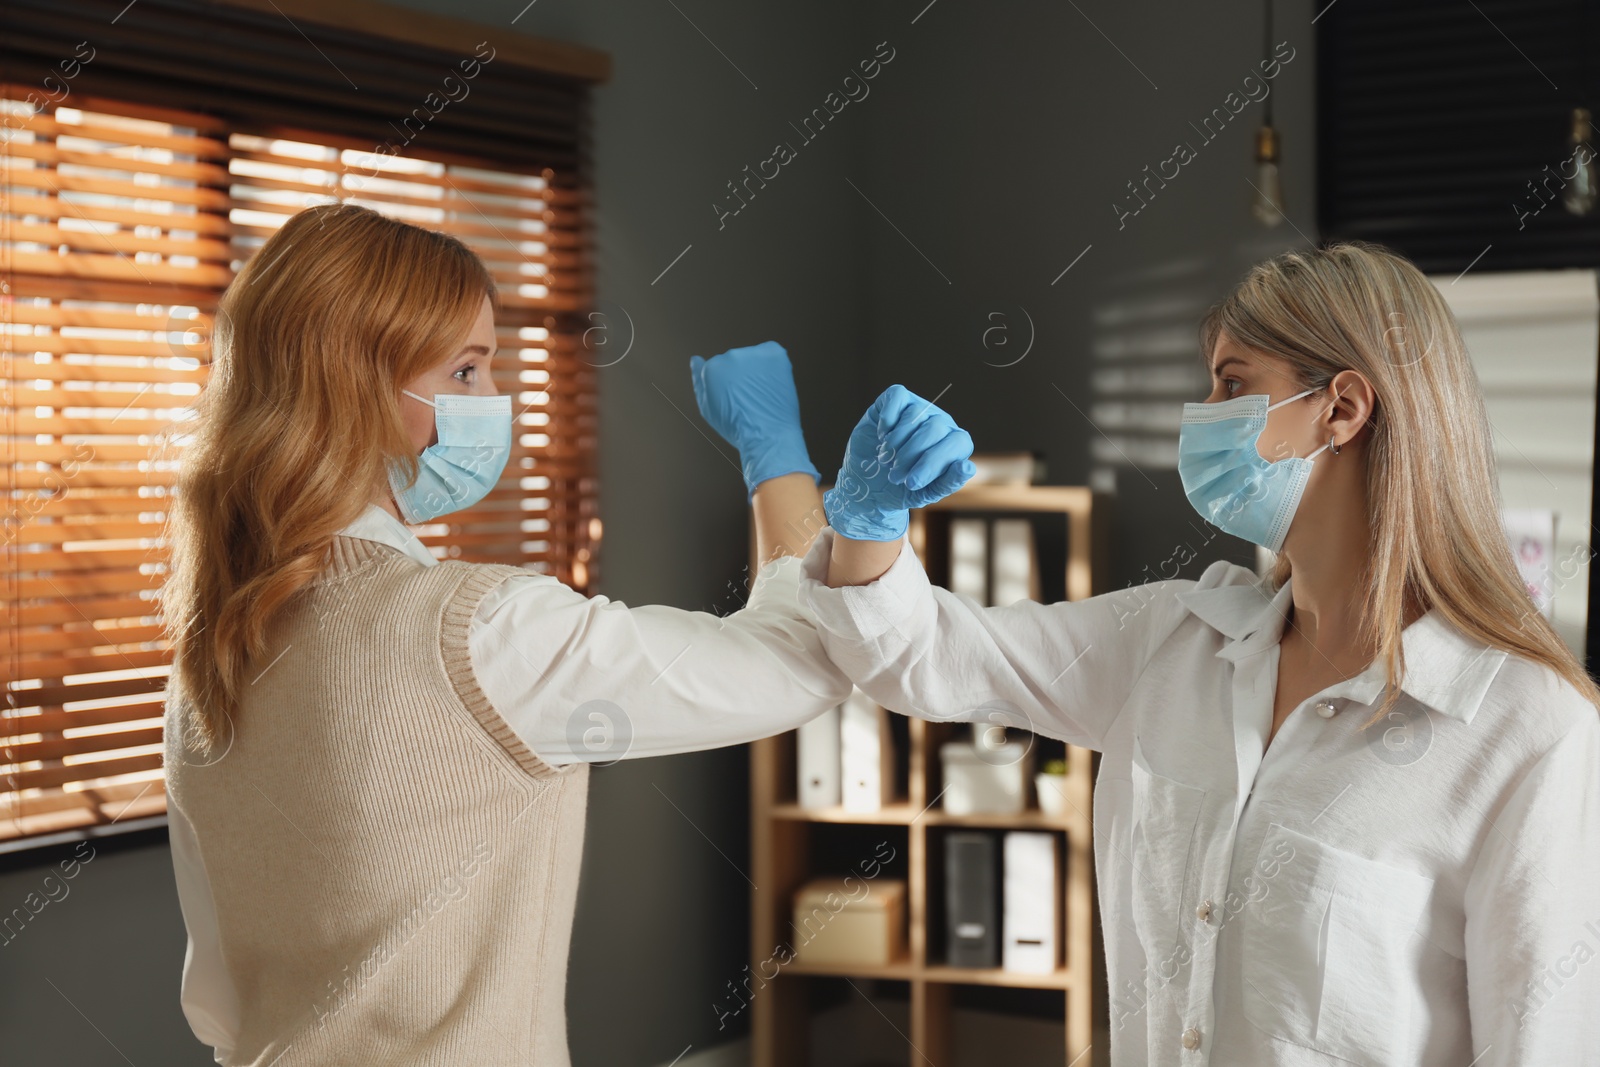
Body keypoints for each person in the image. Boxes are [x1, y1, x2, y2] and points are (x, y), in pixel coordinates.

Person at [157, 201, 944, 1065]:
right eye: (466, 372)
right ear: (358, 390)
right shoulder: (482, 636)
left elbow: (222, 1005)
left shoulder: (211, 656)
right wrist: (778, 453)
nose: (497, 403)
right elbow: (801, 662)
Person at [798, 241, 1600, 1066]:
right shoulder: (1171, 644)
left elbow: (1544, 1044)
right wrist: (865, 518)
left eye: (1232, 381)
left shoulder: (1529, 732)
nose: (1202, 411)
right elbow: (923, 655)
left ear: (1343, 409)